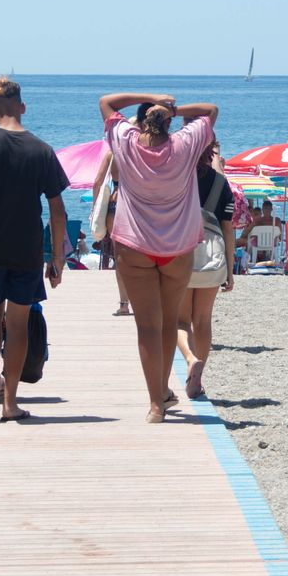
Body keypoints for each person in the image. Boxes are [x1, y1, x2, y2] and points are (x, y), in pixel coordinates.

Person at [99, 91, 219, 423]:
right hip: (178, 248)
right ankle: (163, 389)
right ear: (169, 122)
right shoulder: (184, 144)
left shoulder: (126, 141)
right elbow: (210, 110)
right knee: (168, 323)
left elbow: (106, 102)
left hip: (134, 246)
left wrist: (149, 97)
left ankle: (156, 403)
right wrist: (171, 108)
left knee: (147, 326)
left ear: (142, 121)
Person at [0, 77, 69, 422]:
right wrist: (57, 257)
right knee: (19, 324)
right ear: (22, 107)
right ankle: (10, 402)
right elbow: (57, 209)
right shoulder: (41, 149)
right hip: (27, 248)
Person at [177, 139, 236, 399]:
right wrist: (230, 270)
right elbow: (228, 229)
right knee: (202, 319)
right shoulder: (221, 184)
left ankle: (190, 360)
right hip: (211, 258)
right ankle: (196, 380)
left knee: (179, 320)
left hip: (181, 255)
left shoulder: (176, 178)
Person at [91, 148, 132, 316]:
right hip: (135, 205)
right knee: (140, 258)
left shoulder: (112, 153)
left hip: (115, 205)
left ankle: (123, 304)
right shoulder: (141, 151)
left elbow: (97, 183)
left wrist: (95, 208)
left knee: (120, 258)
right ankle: (142, 300)